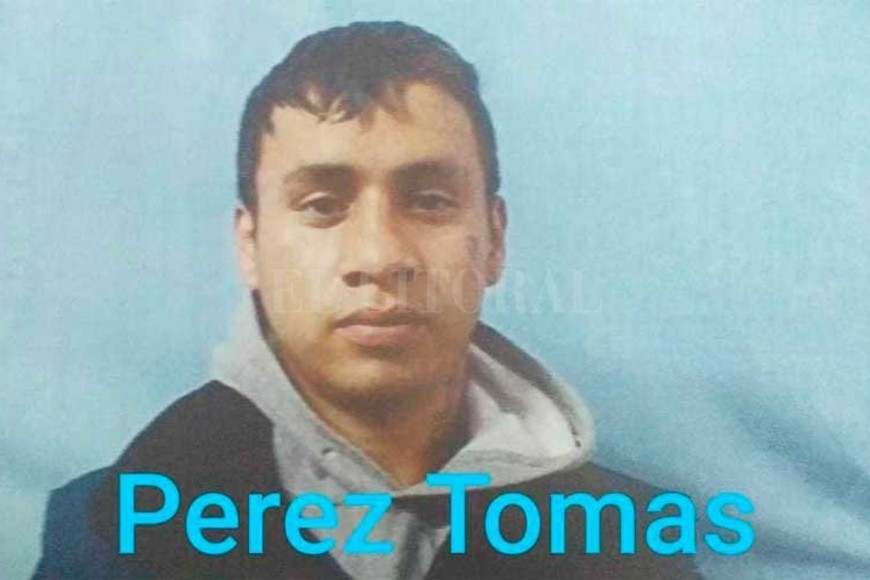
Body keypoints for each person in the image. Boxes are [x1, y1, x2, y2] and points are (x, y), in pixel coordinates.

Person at [34, 21, 700, 579]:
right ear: (250, 245)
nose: (379, 257)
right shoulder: (103, 533)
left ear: (494, 240)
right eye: (322, 205)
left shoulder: (634, 548)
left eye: (430, 201)